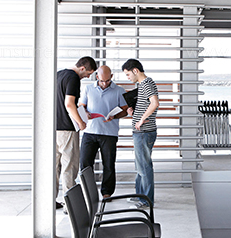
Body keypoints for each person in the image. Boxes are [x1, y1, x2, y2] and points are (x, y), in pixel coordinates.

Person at [78, 65, 128, 198]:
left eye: (107, 81)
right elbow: (81, 106)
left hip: (109, 134)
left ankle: (107, 193)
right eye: (101, 81)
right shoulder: (88, 88)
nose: (104, 84)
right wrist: (85, 113)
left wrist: (115, 116)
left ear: (111, 77)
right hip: (90, 132)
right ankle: (87, 191)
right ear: (96, 77)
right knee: (85, 164)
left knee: (109, 164)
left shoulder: (119, 90)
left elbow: (125, 110)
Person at [56, 56, 98, 209]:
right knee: (69, 167)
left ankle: (49, 202)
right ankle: (70, 206)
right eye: (88, 73)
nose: (87, 77)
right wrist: (80, 122)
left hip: (53, 128)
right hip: (67, 129)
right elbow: (69, 103)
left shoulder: (58, 74)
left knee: (54, 167)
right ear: (82, 68)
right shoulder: (73, 78)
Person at [122, 58, 159, 207]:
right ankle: (140, 195)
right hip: (141, 132)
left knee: (144, 166)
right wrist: (134, 111)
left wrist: (141, 119)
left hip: (144, 132)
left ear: (135, 71)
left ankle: (146, 200)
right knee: (140, 166)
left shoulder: (147, 83)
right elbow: (146, 104)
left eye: (128, 74)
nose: (128, 77)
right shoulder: (142, 85)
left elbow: (155, 103)